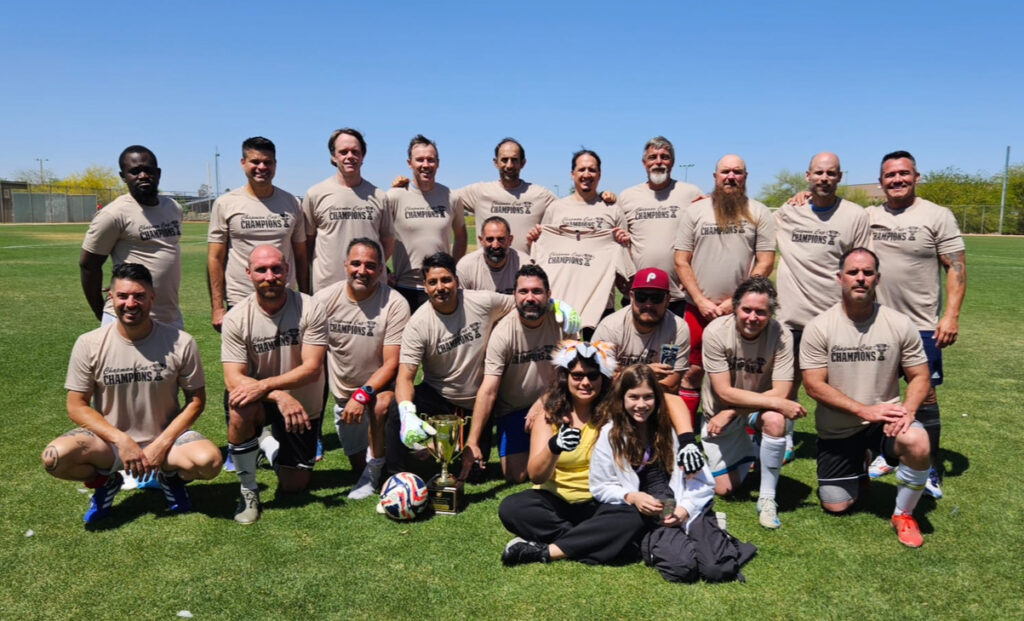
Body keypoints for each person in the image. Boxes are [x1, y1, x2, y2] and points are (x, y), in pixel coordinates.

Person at [43, 263, 221, 523]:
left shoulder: (181, 342)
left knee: (210, 462)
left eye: (139, 296)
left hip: (165, 441)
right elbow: (76, 405)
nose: (131, 303)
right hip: (110, 445)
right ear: (111, 298)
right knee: (55, 458)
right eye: (123, 296)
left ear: (152, 298)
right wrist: (121, 440)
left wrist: (161, 444)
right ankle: (106, 482)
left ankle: (170, 478)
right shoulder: (89, 343)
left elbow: (196, 400)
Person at [388, 253, 579, 476]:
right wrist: (407, 413)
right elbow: (405, 377)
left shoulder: (482, 302)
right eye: (433, 282)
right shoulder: (418, 324)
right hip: (439, 395)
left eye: (446, 280)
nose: (440, 287)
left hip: (476, 403)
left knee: (476, 474)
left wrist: (556, 305)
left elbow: (523, 302)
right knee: (394, 407)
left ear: (457, 281)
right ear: (425, 286)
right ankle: (394, 476)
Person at [801, 247, 933, 547]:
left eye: (867, 272)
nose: (860, 278)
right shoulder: (819, 327)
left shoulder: (899, 323)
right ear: (840, 278)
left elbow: (920, 376)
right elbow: (813, 385)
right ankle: (860, 462)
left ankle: (903, 514)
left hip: (885, 421)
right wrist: (864, 410)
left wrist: (909, 411)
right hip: (838, 429)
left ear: (877, 278)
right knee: (836, 505)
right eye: (853, 272)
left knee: (918, 440)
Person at [864, 151, 966, 500]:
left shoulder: (937, 215)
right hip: (876, 322)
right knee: (880, 391)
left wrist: (951, 315)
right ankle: (888, 454)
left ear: (916, 177)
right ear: (881, 181)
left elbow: (956, 266)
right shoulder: (869, 216)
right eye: (890, 175)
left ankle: (930, 466)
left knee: (925, 395)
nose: (897, 180)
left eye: (904, 173)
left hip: (921, 324)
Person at [498, 340, 633, 566]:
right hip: (555, 501)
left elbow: (663, 398)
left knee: (631, 516)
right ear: (566, 378)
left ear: (603, 378)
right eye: (577, 376)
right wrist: (554, 446)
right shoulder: (548, 415)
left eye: (593, 376)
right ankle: (596, 541)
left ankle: (549, 550)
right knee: (512, 508)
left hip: (598, 500)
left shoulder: (614, 413)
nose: (585, 382)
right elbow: (536, 476)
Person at [774, 152, 870, 462]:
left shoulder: (855, 215)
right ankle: (785, 437)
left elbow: (862, 265)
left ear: (840, 177)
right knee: (787, 384)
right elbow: (748, 216)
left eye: (831, 173)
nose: (824, 178)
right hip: (791, 318)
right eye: (819, 173)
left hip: (834, 320)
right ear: (808, 176)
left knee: (839, 386)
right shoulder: (788, 212)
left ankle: (847, 440)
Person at [221, 246, 328, 524]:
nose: (270, 276)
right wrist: (279, 395)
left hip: (302, 402)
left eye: (276, 269)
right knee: (240, 406)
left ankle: (266, 443)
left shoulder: (311, 308)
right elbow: (233, 378)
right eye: (261, 270)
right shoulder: (236, 317)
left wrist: (268, 387)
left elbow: (312, 368)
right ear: (249, 273)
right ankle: (248, 491)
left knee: (295, 485)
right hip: (263, 400)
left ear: (287, 270)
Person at [673, 154, 775, 427]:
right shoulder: (695, 211)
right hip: (697, 309)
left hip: (741, 311)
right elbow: (681, 260)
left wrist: (737, 301)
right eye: (725, 172)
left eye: (737, 172)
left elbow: (766, 261)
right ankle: (687, 434)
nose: (731, 177)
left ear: (745, 177)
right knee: (692, 372)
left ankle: (743, 434)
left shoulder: (759, 212)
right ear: (715, 177)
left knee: (742, 375)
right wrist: (700, 300)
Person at [698, 277, 805, 529]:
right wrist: (731, 410)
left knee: (775, 419)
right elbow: (724, 392)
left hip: (753, 411)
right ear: (735, 307)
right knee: (724, 489)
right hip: (718, 411)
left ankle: (767, 498)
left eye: (761, 312)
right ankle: (755, 450)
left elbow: (782, 390)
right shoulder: (715, 332)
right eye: (747, 309)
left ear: (771, 313)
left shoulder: (782, 334)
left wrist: (735, 411)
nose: (752, 317)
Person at [313, 238, 410, 499]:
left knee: (380, 405)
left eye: (370, 265)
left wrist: (361, 395)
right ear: (345, 265)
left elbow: (392, 363)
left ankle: (379, 465)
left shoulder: (395, 303)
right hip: (344, 399)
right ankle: (385, 454)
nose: (362, 271)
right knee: (359, 466)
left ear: (381, 269)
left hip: (377, 392)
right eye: (356, 264)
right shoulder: (323, 300)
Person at [589, 364, 715, 551]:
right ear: (621, 398)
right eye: (633, 397)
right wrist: (632, 497)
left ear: (657, 398)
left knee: (711, 557)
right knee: (680, 561)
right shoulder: (610, 434)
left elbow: (702, 482)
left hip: (674, 503)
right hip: (636, 510)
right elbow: (600, 486)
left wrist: (685, 509)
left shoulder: (671, 429)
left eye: (648, 397)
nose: (641, 405)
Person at [459, 264, 566, 483]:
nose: (530, 298)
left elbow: (572, 374)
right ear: (514, 295)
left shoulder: (562, 322)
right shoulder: (503, 333)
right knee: (516, 475)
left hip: (555, 401)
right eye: (523, 291)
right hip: (514, 410)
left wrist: (544, 401)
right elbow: (489, 390)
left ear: (548, 295)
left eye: (537, 291)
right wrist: (472, 441)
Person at [528, 149, 635, 335]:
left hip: (601, 304)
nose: (587, 174)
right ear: (572, 174)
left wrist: (625, 243)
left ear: (599, 175)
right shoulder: (556, 209)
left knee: (598, 353)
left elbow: (625, 269)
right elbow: (543, 251)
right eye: (582, 169)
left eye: (592, 170)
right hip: (561, 305)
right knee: (560, 353)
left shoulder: (613, 210)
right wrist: (534, 239)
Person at [208, 136, 308, 332]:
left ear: (275, 164)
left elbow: (301, 256)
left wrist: (305, 297)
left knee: (289, 352)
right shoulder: (225, 203)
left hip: (284, 297)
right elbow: (215, 258)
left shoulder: (292, 203)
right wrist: (218, 307)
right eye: (255, 161)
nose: (262, 167)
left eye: (267, 162)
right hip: (241, 299)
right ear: (243, 163)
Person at [80, 146, 184, 328]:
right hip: (129, 316)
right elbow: (89, 265)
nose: (143, 176)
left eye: (148, 170)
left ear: (158, 173)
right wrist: (100, 310)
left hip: (170, 315)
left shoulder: (173, 207)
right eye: (135, 171)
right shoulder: (113, 214)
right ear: (123, 176)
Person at [617, 137, 703, 316]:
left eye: (664, 157)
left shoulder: (691, 193)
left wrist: (693, 277)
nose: (658, 162)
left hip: (677, 296)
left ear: (673, 162)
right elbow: (616, 242)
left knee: (677, 336)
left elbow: (705, 238)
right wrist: (620, 277)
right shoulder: (627, 197)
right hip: (638, 295)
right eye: (652, 157)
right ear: (644, 163)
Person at [302, 128, 394, 292]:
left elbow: (387, 241)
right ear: (333, 156)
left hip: (370, 288)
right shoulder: (315, 194)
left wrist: (369, 269)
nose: (350, 156)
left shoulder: (379, 196)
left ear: (363, 156)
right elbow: (307, 245)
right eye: (343, 152)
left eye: (355, 152)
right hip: (327, 289)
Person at [385, 134, 467, 311]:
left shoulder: (451, 197)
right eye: (420, 160)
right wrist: (384, 271)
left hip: (441, 288)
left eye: (431, 160)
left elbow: (461, 237)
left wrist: (452, 271)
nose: (426, 165)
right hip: (405, 287)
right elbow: (375, 236)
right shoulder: (394, 196)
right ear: (409, 163)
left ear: (438, 163)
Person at [593, 267, 691, 395]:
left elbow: (671, 385)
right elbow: (601, 380)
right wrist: (644, 373)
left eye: (656, 298)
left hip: (656, 398)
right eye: (642, 297)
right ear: (632, 297)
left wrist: (623, 376)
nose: (648, 304)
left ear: (667, 300)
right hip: (615, 396)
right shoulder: (610, 328)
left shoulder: (678, 328)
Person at [453, 138, 557, 254]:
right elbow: (445, 197)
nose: (509, 165)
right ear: (495, 163)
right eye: (504, 160)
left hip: (528, 265)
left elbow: (567, 212)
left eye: (514, 160)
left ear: (523, 163)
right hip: (488, 265)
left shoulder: (541, 195)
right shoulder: (479, 192)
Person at [456, 216, 522, 294]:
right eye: (490, 239)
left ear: (510, 240)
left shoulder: (522, 265)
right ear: (481, 240)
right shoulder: (466, 266)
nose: (495, 245)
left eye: (501, 239)